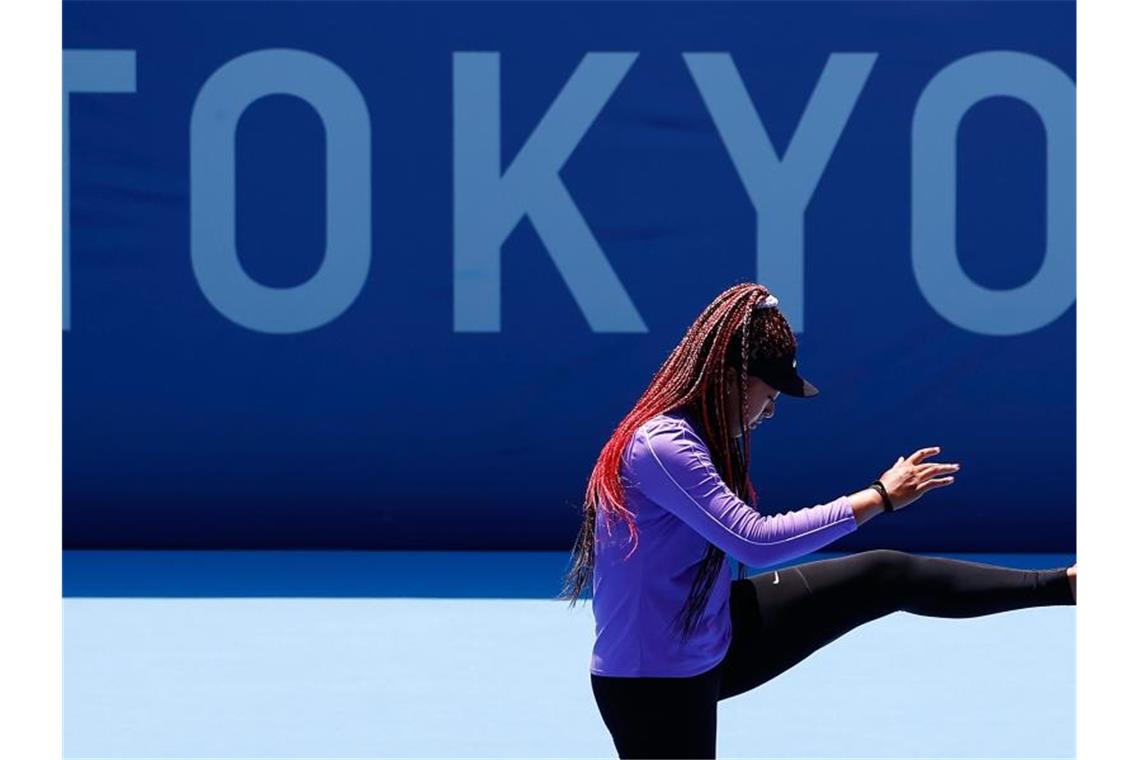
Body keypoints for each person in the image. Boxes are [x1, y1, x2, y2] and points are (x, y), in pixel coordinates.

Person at [558, 282, 1076, 760]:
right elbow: (753, 541)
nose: (769, 410)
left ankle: (1067, 585)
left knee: (884, 575)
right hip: (654, 683)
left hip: (715, 632)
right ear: (733, 380)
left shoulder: (696, 437)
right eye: (769, 394)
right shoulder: (662, 446)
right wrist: (877, 497)